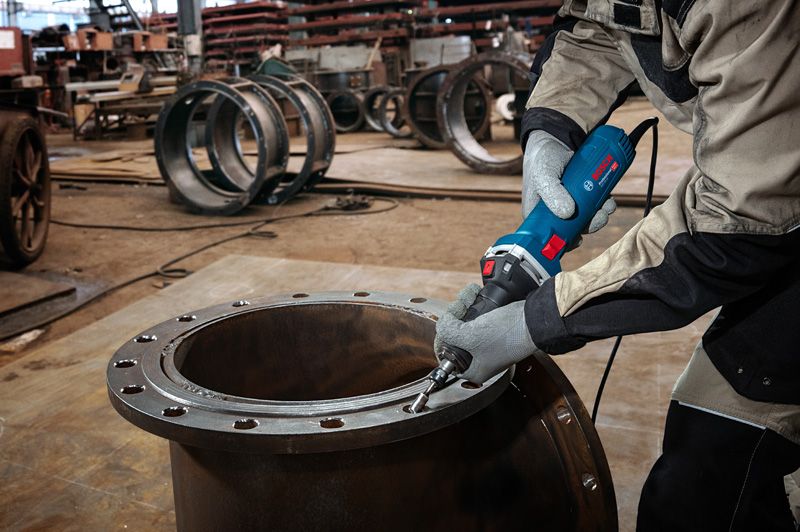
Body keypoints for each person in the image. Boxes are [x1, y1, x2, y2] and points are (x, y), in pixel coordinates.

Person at [434, 1, 800, 530]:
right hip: (772, 205)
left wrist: (533, 321)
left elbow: (739, 218)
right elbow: (596, 30)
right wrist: (551, 130)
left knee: (708, 475)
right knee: (712, 463)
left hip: (767, 212)